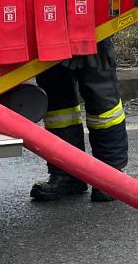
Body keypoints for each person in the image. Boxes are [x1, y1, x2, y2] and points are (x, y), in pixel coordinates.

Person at [29, 39, 127, 203]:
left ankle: (111, 175)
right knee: (57, 104)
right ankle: (68, 174)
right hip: (47, 30)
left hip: (90, 29)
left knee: (102, 102)